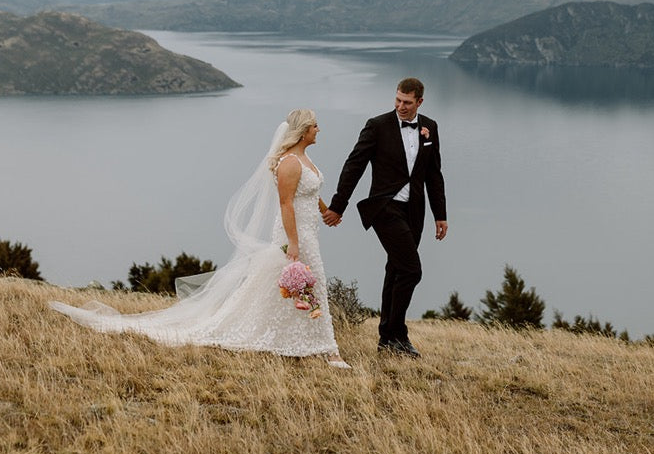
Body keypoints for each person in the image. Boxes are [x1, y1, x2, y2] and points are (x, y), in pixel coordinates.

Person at [49, 109, 350, 368]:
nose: (318, 129)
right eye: (314, 125)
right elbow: (286, 204)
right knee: (313, 281)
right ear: (302, 131)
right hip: (293, 233)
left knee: (293, 286)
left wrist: (327, 212)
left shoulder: (305, 160)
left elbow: (309, 192)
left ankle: (299, 340)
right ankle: (328, 349)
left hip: (310, 229)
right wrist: (294, 243)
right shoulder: (289, 163)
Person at [323, 77, 447, 358]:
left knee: (397, 269)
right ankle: (398, 334)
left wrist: (441, 214)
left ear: (419, 102)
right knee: (412, 270)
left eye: (407, 102)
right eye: (397, 100)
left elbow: (433, 174)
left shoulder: (431, 128)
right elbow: (354, 165)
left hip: (414, 211)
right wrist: (338, 205)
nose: (401, 106)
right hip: (384, 209)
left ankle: (387, 339)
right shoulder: (377, 126)